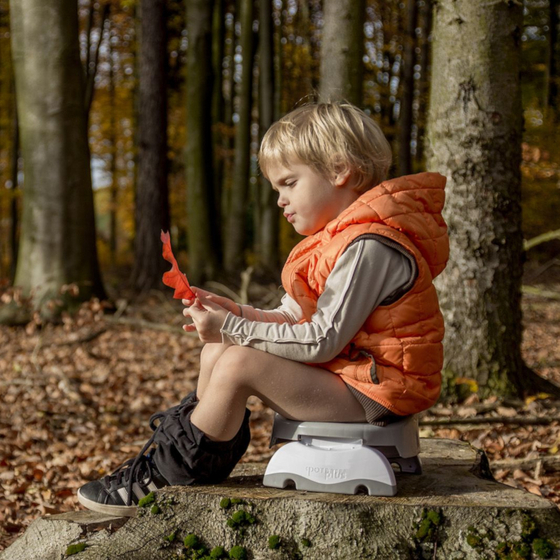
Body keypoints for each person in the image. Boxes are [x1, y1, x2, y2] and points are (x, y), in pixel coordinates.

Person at [77, 102, 449, 517]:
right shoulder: (333, 242)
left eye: (289, 183)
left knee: (238, 362)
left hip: (380, 391)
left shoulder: (370, 246)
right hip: (355, 376)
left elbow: (322, 339)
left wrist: (234, 327)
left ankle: (169, 475)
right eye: (276, 189)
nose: (280, 200)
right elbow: (293, 318)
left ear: (340, 169)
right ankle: (188, 455)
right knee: (217, 351)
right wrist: (232, 311)